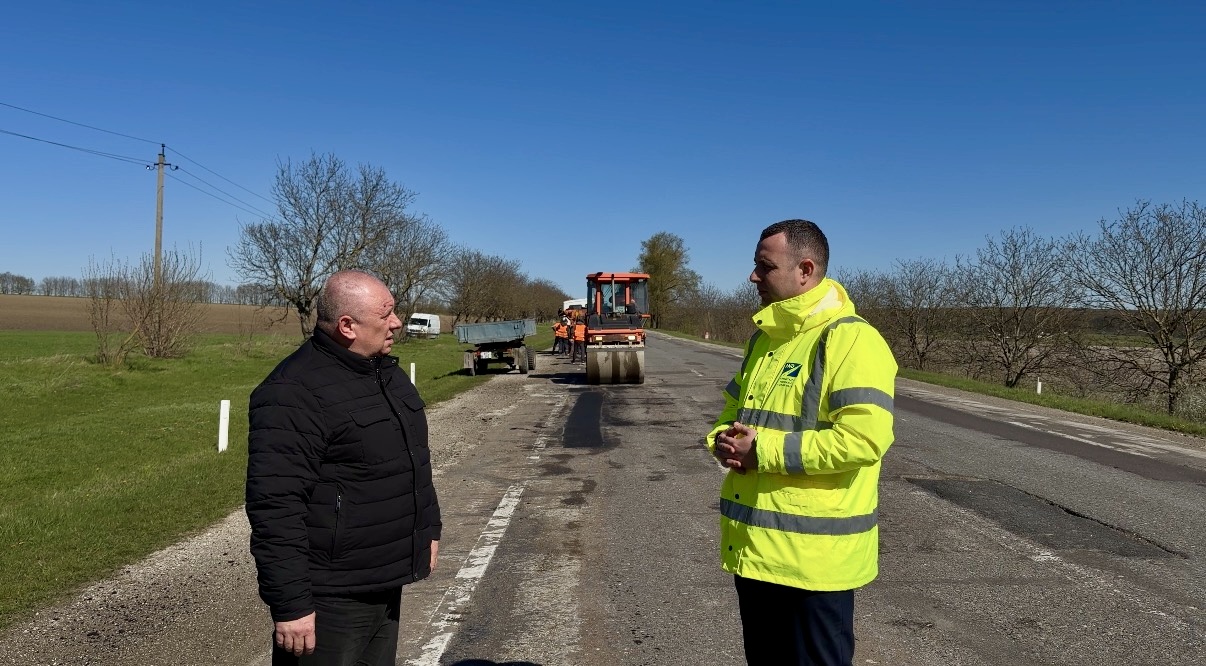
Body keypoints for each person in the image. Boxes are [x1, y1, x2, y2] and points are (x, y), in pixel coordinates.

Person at [707, 219, 896, 666]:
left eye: (765, 266)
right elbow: (732, 412)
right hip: (756, 553)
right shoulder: (765, 340)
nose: (753, 276)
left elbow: (863, 440)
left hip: (815, 564)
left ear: (805, 270)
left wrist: (761, 451)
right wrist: (721, 439)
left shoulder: (850, 340)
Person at [246, 269, 442, 665]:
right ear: (347, 326)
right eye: (386, 314)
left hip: (383, 581)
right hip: (330, 597)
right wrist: (292, 605)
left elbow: (413, 462)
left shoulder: (385, 373)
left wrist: (429, 530)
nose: (397, 322)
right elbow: (276, 506)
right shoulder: (293, 392)